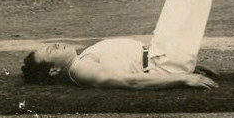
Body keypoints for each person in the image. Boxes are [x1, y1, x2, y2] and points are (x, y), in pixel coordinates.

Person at [21, 38, 218, 90]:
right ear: (54, 70)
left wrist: (178, 65)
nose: (55, 44)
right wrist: (181, 77)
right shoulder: (80, 68)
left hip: (163, 58)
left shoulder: (82, 60)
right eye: (50, 51)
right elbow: (129, 81)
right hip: (160, 65)